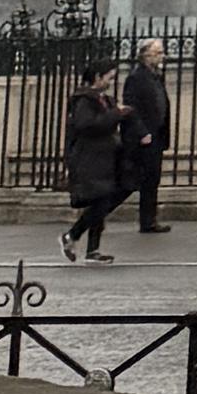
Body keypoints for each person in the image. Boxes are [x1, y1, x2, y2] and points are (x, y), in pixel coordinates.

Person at [63, 61, 133, 262]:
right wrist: (116, 114)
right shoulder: (84, 100)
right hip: (89, 157)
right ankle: (75, 237)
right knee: (101, 200)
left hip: (107, 157)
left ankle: (90, 247)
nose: (111, 81)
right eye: (109, 77)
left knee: (105, 199)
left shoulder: (105, 100)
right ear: (97, 77)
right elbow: (87, 125)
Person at [119, 39, 174, 239]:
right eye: (158, 53)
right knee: (134, 180)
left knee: (152, 178)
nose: (162, 56)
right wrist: (142, 132)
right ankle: (99, 213)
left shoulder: (156, 76)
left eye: (161, 52)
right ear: (145, 55)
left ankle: (149, 220)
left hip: (156, 134)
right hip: (144, 136)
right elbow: (131, 108)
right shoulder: (136, 77)